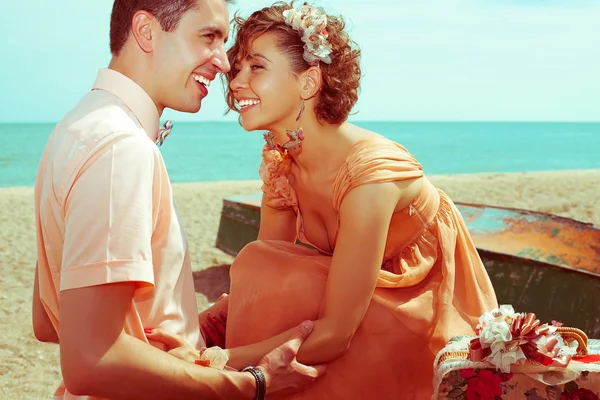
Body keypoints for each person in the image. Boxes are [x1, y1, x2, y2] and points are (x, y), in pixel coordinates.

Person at [186, 2, 499, 398]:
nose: (235, 82)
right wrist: (201, 331)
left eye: (257, 67)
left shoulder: (370, 174)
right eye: (239, 67)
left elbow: (335, 334)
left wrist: (213, 362)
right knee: (258, 263)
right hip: (350, 303)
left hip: (416, 311)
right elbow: (265, 272)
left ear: (308, 83)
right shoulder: (283, 161)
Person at [31, 1, 325, 399]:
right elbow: (91, 359)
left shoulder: (76, 127)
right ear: (146, 31)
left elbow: (49, 321)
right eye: (208, 37)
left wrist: (190, 327)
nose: (223, 62)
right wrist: (252, 384)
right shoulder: (121, 149)